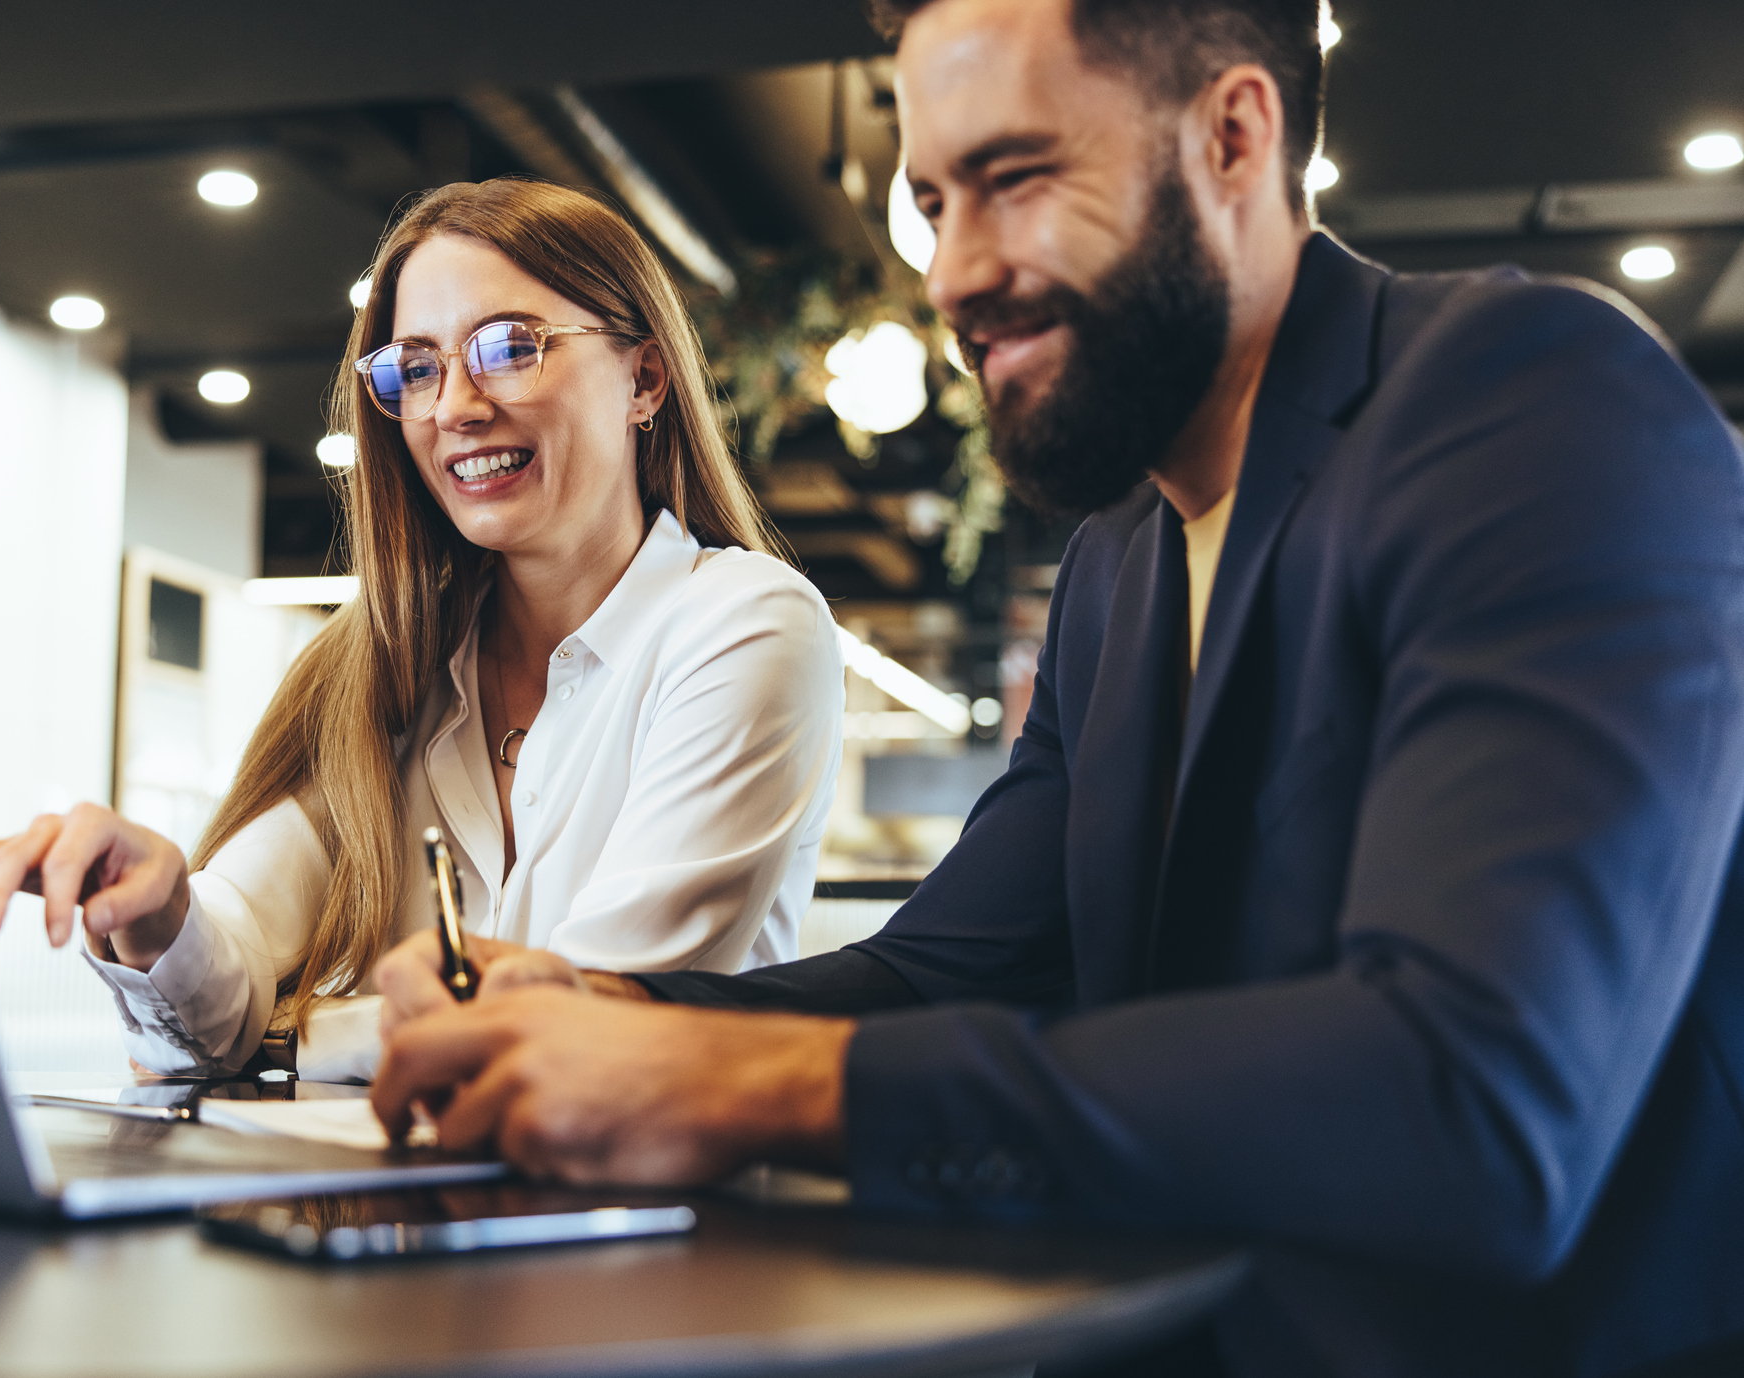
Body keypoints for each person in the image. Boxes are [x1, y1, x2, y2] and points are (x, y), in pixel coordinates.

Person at [366, 2, 1744, 1375]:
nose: (954, 272)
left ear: (1230, 135)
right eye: (926, 206)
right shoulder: (1118, 559)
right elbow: (947, 968)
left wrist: (756, 1085)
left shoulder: (1534, 405)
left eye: (1013, 179)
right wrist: (611, 1008)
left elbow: (1473, 1099)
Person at [0, 179, 844, 1082]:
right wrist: (160, 914)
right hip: (412, 1212)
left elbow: (590, 1018)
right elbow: (224, 975)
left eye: (508, 347)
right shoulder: (387, 665)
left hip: (665, 1214)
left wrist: (291, 1039)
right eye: (415, 367)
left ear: (643, 378)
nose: (454, 405)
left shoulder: (746, 624)